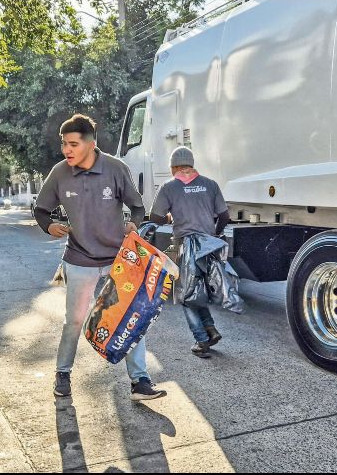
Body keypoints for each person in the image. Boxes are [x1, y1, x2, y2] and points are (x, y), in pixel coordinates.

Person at [34, 113, 167, 401]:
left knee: (131, 316)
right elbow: (41, 209)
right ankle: (63, 373)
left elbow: (137, 206)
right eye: (63, 144)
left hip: (117, 260)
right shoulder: (59, 173)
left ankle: (140, 381)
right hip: (79, 258)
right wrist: (50, 226)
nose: (66, 150)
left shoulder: (116, 169)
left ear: (91, 143)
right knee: (75, 320)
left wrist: (134, 222)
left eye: (72, 144)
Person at [149, 146, 230, 358]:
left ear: (174, 166)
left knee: (187, 295)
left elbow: (155, 217)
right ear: (191, 164)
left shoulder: (169, 187)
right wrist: (215, 235)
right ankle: (210, 330)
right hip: (209, 246)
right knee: (198, 291)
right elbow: (224, 216)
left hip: (186, 245)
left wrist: (170, 217)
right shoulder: (210, 184)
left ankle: (201, 340)